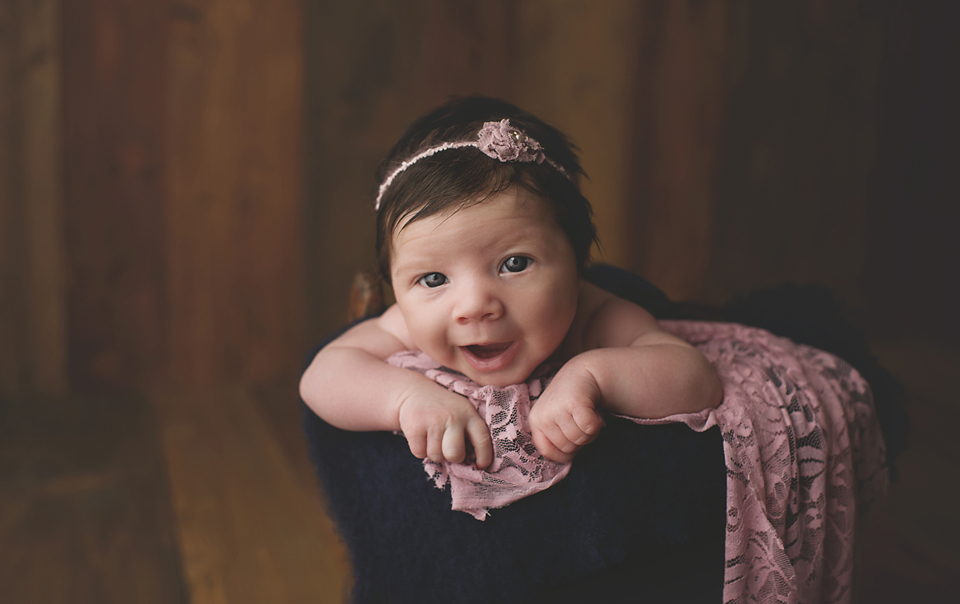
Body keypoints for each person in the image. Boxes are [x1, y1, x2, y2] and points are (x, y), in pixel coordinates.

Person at [299, 96, 723, 470]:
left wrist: (593, 376)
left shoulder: (596, 315)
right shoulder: (408, 324)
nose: (473, 306)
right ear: (394, 286)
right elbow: (323, 376)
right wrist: (405, 399)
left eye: (514, 263)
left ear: (577, 264)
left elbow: (696, 377)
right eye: (433, 278)